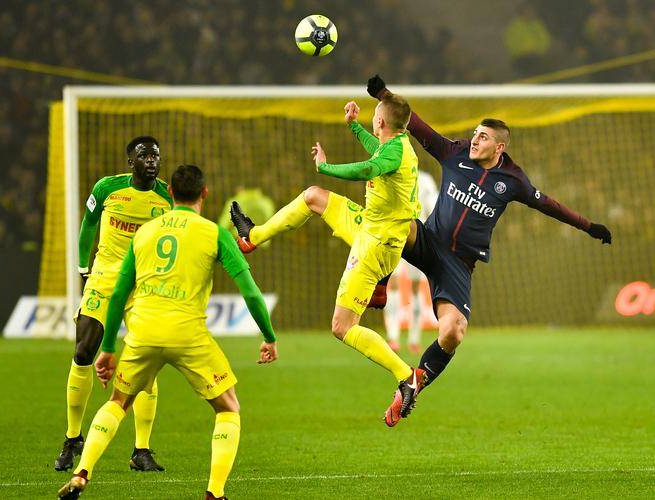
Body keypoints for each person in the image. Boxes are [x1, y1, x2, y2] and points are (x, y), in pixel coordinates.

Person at [366, 75, 612, 426]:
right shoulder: (454, 152)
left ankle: (412, 386)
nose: (474, 139)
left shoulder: (513, 180)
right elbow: (416, 125)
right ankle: (380, 284)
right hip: (429, 240)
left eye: (482, 137)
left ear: (499, 147)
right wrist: (384, 94)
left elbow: (550, 205)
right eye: (475, 133)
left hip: (457, 265)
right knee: (395, 221)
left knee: (453, 332)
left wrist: (589, 227)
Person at [58, 164, 278, 500]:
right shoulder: (213, 234)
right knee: (228, 407)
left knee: (117, 402)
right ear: (204, 193)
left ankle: (81, 473)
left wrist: (108, 348)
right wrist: (269, 337)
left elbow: (118, 294)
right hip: (188, 335)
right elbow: (250, 292)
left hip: (143, 332)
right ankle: (215, 492)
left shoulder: (145, 233)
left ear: (170, 193)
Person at [230, 94, 427, 427]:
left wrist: (326, 166)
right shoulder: (397, 145)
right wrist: (354, 127)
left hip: (375, 245)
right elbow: (376, 152)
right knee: (313, 197)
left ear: (380, 121)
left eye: (373, 116)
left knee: (342, 327)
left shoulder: (392, 153)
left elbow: (369, 167)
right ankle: (253, 237)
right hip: (371, 226)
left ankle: (406, 376)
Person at [55, 136, 172, 472]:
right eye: (144, 156)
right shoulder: (107, 188)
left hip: (143, 283)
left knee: (146, 361)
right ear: (130, 161)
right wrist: (83, 267)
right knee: (83, 351)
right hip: (105, 276)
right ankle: (73, 437)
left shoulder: (167, 196)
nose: (151, 160)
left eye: (155, 156)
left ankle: (141, 450)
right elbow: (89, 224)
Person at [384, 170, 438, 354]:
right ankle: (397, 337)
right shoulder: (394, 175)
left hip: (411, 237)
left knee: (408, 287)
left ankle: (409, 338)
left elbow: (433, 208)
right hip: (400, 236)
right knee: (396, 284)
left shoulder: (422, 179)